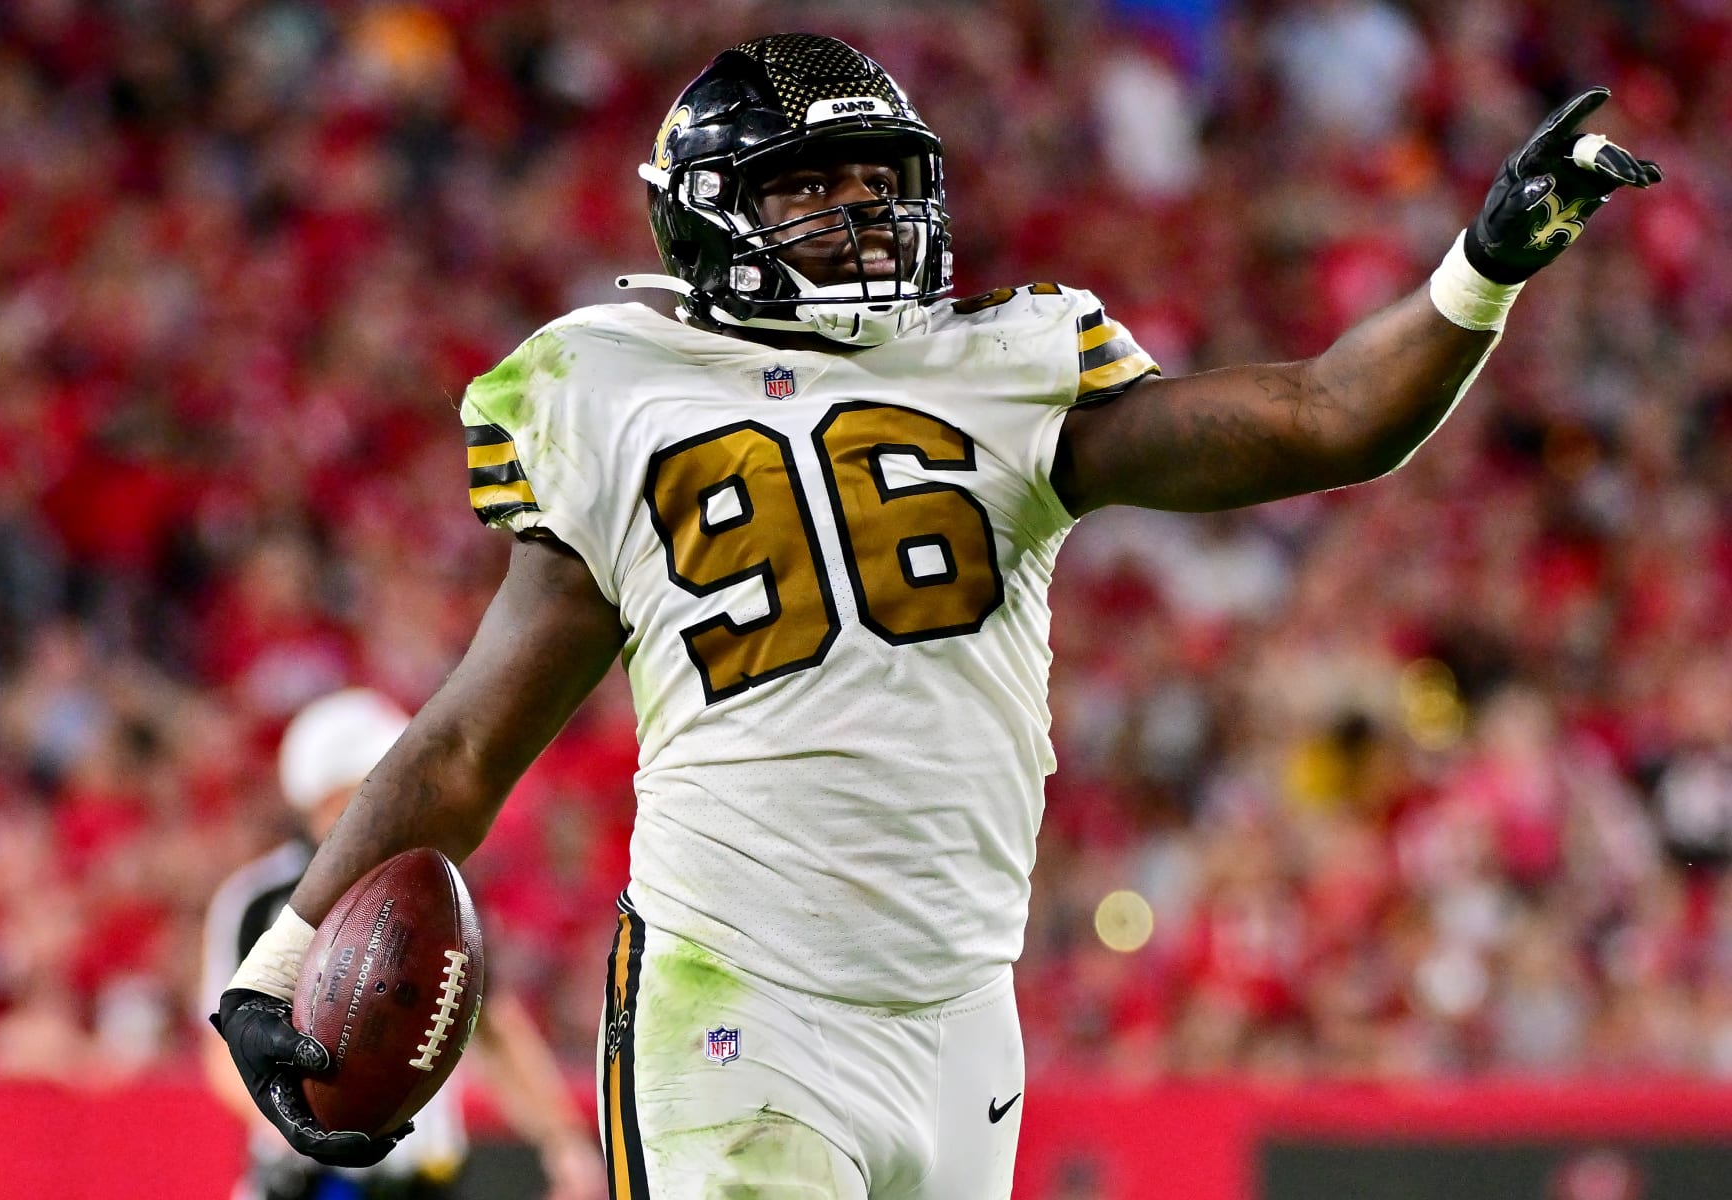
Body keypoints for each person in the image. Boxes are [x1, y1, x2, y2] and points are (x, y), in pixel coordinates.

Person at [212, 32, 1661, 1200]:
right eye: (809, 186)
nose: (858, 214)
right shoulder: (608, 388)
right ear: (709, 215)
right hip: (740, 1000)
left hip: (962, 1011)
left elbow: (1322, 416)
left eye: (874, 181)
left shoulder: (1005, 364)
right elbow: (469, 739)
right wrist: (286, 952)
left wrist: (1481, 268)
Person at [202, 688, 605, 1200]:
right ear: (330, 798)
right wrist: (307, 1124)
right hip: (312, 1183)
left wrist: (562, 1141)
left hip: (423, 1181)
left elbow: (494, 1025)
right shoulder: (258, 902)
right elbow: (223, 1051)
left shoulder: (436, 894)